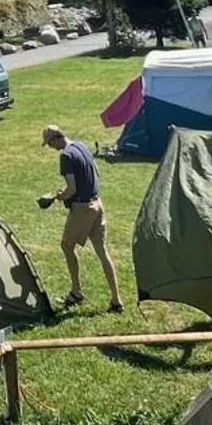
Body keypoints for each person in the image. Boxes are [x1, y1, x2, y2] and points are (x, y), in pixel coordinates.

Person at [39, 124, 124, 312]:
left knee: (67, 246)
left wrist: (58, 196)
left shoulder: (66, 156)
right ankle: (116, 300)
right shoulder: (81, 146)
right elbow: (95, 174)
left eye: (50, 143)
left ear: (56, 139)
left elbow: (72, 188)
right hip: (97, 204)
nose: (51, 147)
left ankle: (76, 292)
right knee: (102, 251)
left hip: (83, 208)